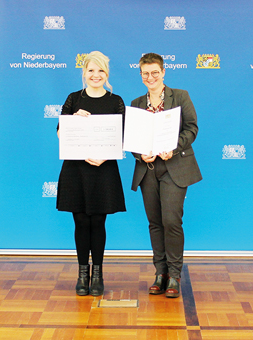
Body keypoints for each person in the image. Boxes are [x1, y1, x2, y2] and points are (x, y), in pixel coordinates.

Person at [131, 53, 202, 298]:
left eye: (155, 72)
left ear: (163, 72)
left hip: (175, 167)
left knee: (171, 221)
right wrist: (141, 154)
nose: (150, 77)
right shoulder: (137, 102)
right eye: (145, 73)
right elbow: (132, 140)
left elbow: (192, 128)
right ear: (141, 75)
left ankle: (174, 274)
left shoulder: (180, 96)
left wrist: (174, 147)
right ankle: (160, 273)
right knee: (155, 222)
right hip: (148, 170)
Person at [57, 51, 126, 297]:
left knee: (98, 221)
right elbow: (60, 133)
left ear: (107, 74)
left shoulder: (115, 100)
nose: (95, 75)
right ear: (84, 73)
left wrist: (105, 155)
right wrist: (73, 120)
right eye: (91, 71)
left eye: (101, 71)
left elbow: (123, 137)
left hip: (103, 169)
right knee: (80, 221)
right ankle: (82, 274)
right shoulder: (73, 99)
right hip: (76, 169)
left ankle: (98, 274)